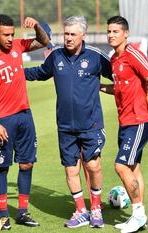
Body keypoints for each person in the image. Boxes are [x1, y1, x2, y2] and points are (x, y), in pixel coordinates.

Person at [25, 16, 112, 229]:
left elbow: (120, 76)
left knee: (93, 165)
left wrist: (109, 89)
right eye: (66, 34)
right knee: (70, 170)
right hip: (65, 126)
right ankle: (81, 210)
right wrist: (14, 72)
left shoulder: (95, 56)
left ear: (83, 35)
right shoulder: (56, 56)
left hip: (91, 124)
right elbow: (39, 72)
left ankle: (96, 208)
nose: (69, 38)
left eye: (73, 34)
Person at [0, 14, 49, 230]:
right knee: (2, 167)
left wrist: (37, 26)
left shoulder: (17, 46)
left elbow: (44, 41)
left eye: (12, 34)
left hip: (25, 115)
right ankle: (3, 215)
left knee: (27, 163)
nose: (10, 39)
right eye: (6, 35)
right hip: (3, 120)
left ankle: (23, 212)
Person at [101, 16, 148, 233]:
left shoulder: (133, 54)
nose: (111, 35)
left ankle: (138, 214)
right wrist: (101, 87)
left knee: (121, 166)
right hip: (126, 122)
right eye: (109, 31)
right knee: (134, 168)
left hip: (139, 121)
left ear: (126, 34)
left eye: (115, 31)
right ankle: (140, 216)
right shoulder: (114, 59)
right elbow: (120, 87)